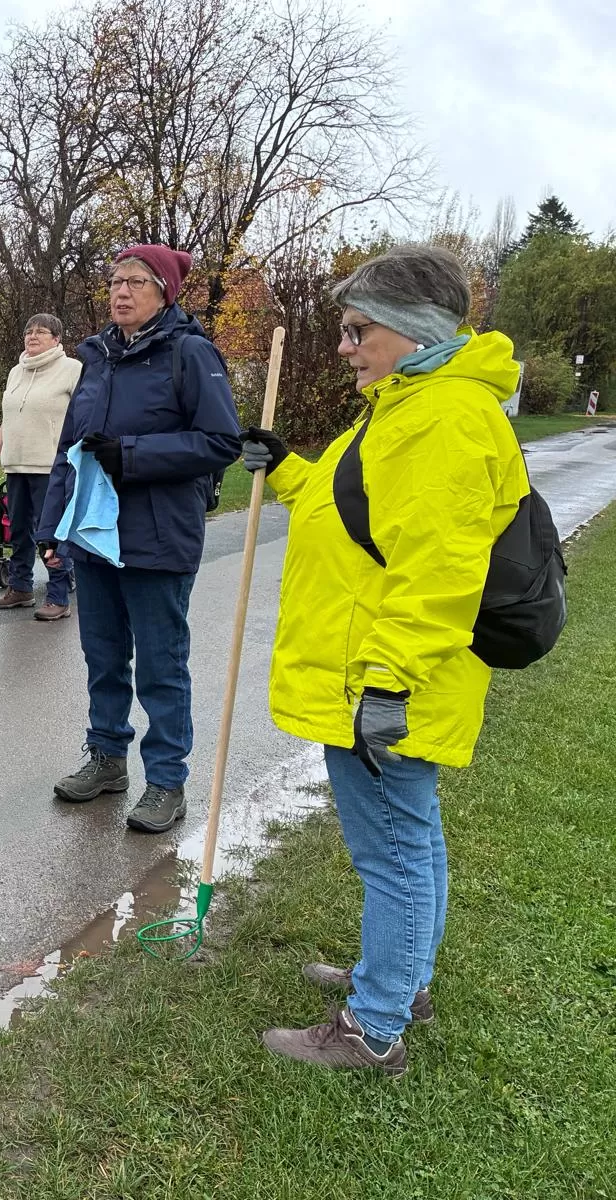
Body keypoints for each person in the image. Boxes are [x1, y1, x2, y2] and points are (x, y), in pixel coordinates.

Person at [242, 244, 530, 1075]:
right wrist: (288, 467)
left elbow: (438, 571)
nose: (343, 347)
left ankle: (374, 1028)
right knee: (413, 839)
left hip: (384, 679)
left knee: (394, 850)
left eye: (357, 329)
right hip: (373, 670)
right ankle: (401, 982)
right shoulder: (406, 405)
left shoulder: (445, 419)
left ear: (412, 330)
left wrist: (386, 682)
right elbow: (353, 513)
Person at [38, 245, 241, 833]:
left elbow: (220, 442)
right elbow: (69, 454)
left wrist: (131, 454)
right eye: (114, 281)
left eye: (136, 282)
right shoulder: (96, 357)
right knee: (102, 657)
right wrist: (51, 526)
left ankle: (167, 782)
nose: (120, 292)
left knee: (160, 665)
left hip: (158, 537)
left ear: (164, 292)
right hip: (96, 537)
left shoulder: (190, 353)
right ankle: (106, 759)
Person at [0, 315, 80, 620]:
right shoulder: (16, 372)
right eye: (28, 332)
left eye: (40, 332)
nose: (32, 336)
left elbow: (85, 414)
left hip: (52, 466)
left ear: (57, 338)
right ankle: (20, 588)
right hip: (16, 464)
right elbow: (10, 418)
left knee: (50, 533)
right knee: (18, 530)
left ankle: (59, 596)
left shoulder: (72, 370)